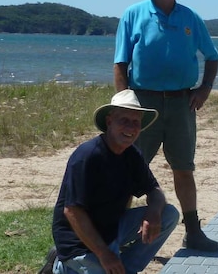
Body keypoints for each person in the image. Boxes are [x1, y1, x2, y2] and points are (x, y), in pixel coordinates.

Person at [113, 0, 218, 252]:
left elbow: (212, 57)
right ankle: (117, 232)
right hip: (142, 104)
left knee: (183, 168)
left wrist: (205, 89)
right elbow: (120, 63)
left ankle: (194, 231)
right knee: (129, 169)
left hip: (181, 103)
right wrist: (124, 104)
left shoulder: (190, 18)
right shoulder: (133, 14)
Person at [41, 89, 180, 274]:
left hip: (113, 228)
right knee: (100, 261)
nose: (130, 128)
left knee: (168, 214)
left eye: (135, 122)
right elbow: (72, 210)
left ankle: (126, 269)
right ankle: (60, 264)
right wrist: (103, 253)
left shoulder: (131, 155)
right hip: (79, 241)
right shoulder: (87, 156)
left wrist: (154, 212)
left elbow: (154, 190)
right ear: (109, 122)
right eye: (124, 120)